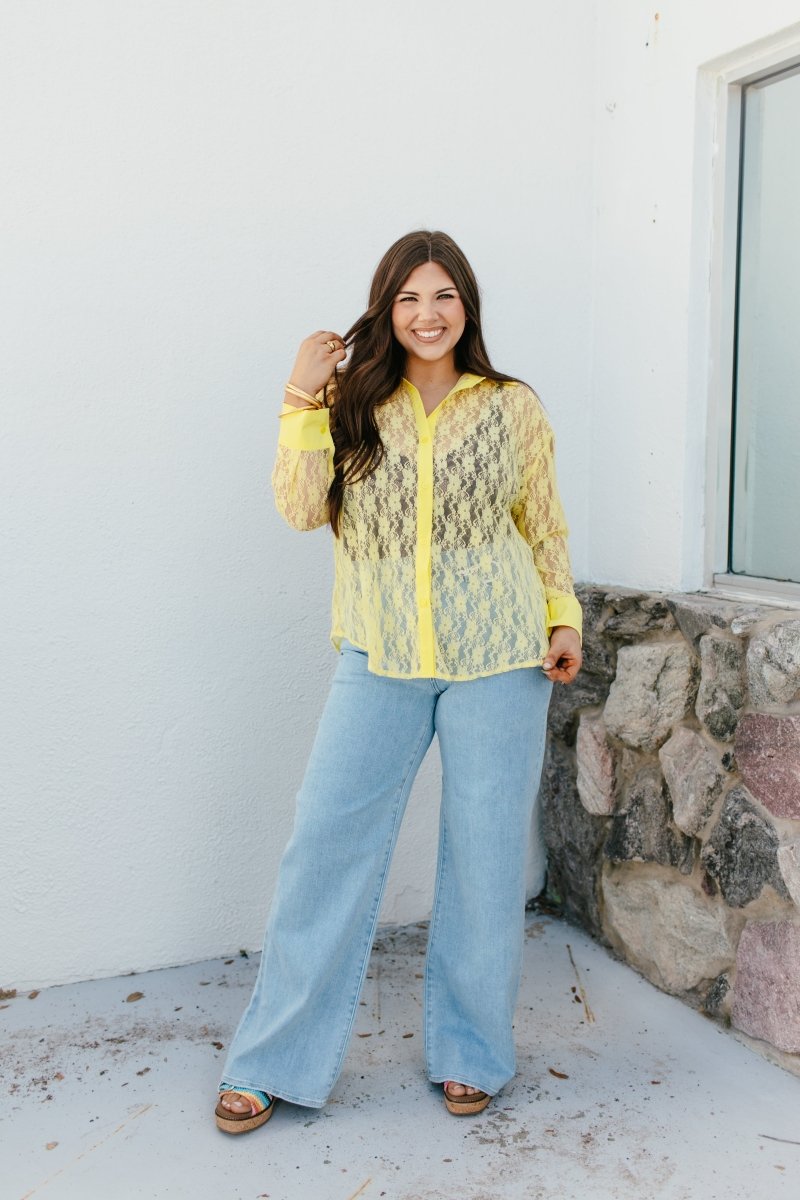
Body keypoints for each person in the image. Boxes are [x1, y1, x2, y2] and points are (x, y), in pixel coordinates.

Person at [215, 230, 582, 1134]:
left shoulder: (511, 406)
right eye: (411, 298)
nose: (429, 314)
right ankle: (273, 1059)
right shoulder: (350, 403)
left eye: (445, 295)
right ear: (387, 308)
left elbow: (543, 525)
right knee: (325, 845)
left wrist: (563, 613)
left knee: (487, 860)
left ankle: (471, 1052)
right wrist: (302, 391)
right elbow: (301, 509)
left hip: (501, 653)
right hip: (378, 655)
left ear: (468, 306)